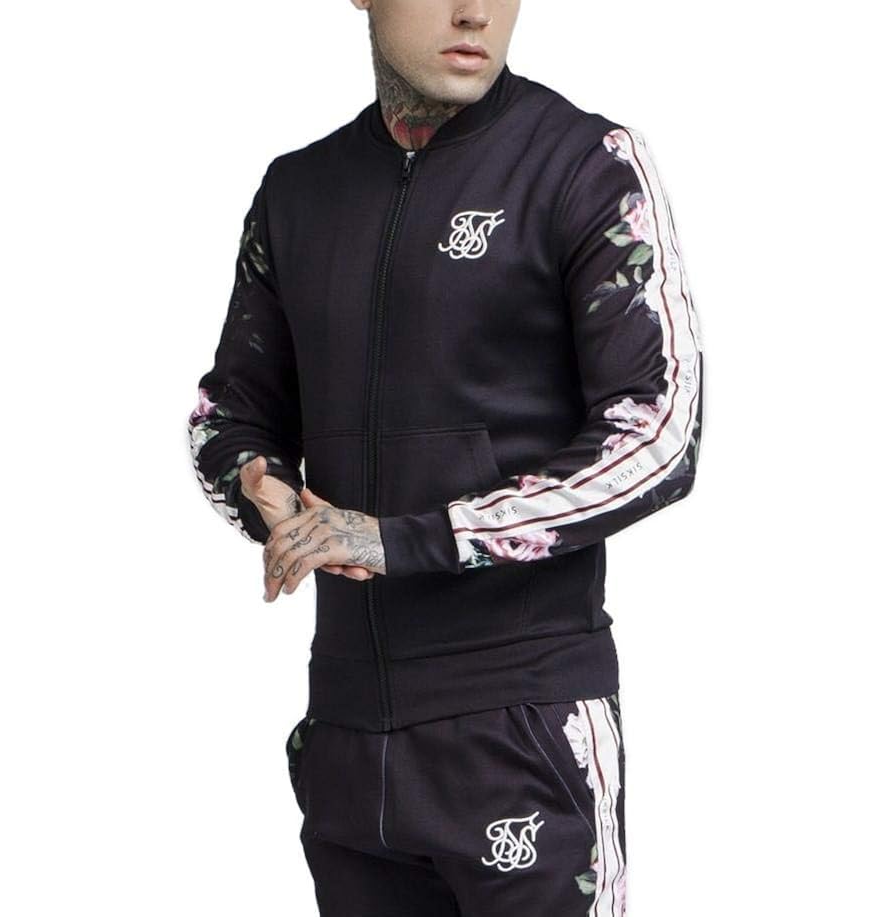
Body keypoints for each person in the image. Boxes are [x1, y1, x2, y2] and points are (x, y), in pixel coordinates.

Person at [187, 1, 704, 913]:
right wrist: (259, 489)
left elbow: (658, 429)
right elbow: (228, 411)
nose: (475, 10)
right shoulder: (298, 191)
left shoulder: (581, 164)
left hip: (523, 726)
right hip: (348, 736)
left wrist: (411, 538)